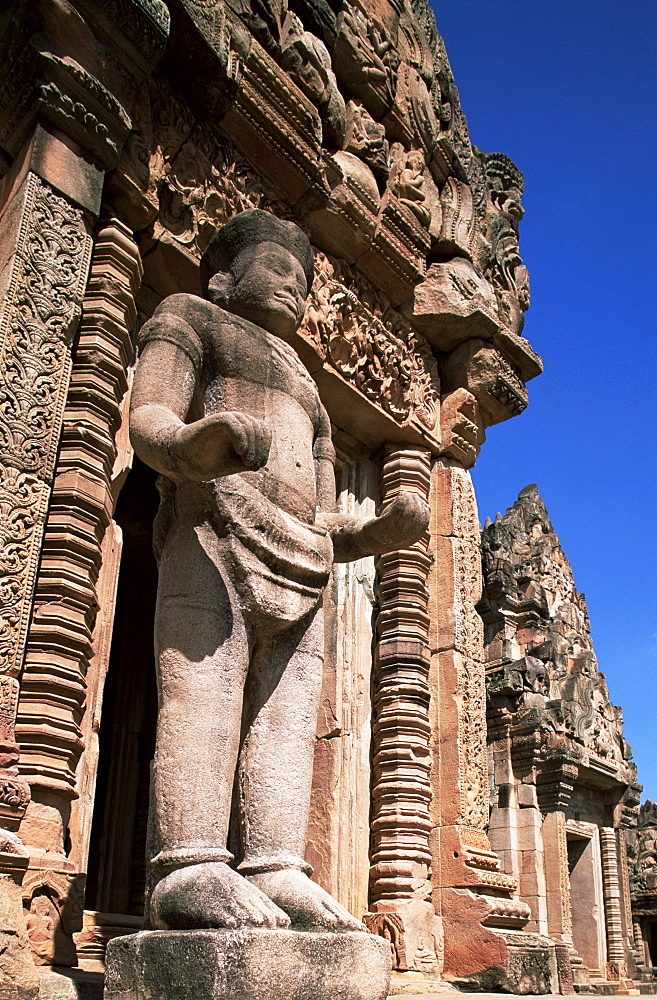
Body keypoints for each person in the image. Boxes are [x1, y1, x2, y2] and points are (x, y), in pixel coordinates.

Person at [130, 209, 429, 933]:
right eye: (279, 270)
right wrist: (195, 445)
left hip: (303, 554)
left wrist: (377, 532)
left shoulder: (308, 387)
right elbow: (148, 420)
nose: (295, 288)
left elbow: (328, 513)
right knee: (201, 685)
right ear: (224, 275)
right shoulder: (189, 316)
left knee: (288, 721)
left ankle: (276, 866)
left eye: (304, 281)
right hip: (211, 526)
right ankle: (190, 865)